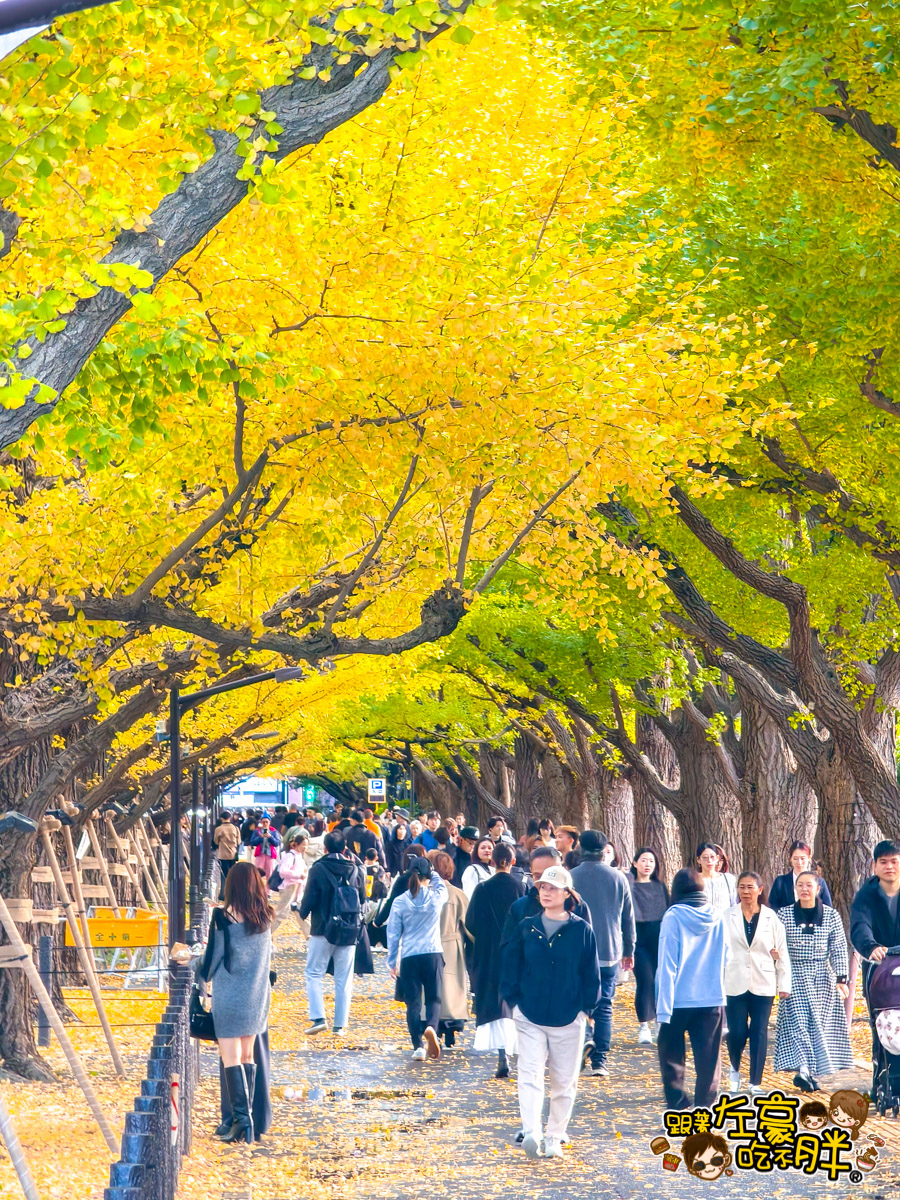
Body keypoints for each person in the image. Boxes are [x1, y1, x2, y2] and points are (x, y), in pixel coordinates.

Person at [499, 865, 600, 1159]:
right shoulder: (526, 927)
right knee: (529, 1074)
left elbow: (591, 974)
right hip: (529, 1014)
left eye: (553, 888)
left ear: (567, 893)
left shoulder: (582, 930)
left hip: (569, 1017)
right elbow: (510, 964)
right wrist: (514, 1002)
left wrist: (585, 1010)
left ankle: (554, 1136)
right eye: (542, 887)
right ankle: (532, 1131)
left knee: (564, 1081)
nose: (546, 892)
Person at [195, 862, 273, 1144]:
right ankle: (246, 1122)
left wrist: (193, 963)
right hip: (257, 996)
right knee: (247, 1057)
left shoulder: (223, 917)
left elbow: (211, 962)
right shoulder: (265, 916)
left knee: (230, 1058)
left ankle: (241, 1121)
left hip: (230, 996)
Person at [655, 867, 727, 1110]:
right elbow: (726, 956)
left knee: (671, 1056)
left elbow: (667, 963)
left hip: (677, 999)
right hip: (711, 997)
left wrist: (662, 1008)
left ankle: (678, 1106)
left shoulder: (673, 917)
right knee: (709, 1059)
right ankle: (704, 1107)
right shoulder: (717, 916)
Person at [774, 870, 852, 1092]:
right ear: (795, 889)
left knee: (817, 1024)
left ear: (818, 889)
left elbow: (838, 947)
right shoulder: (784, 915)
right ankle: (803, 1070)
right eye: (800, 885)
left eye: (809, 885)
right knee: (798, 1022)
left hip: (822, 976)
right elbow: (776, 943)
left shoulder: (831, 915)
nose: (804, 889)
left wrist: (841, 978)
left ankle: (811, 1070)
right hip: (794, 974)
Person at [570, 830, 635, 1078]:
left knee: (577, 1003)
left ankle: (584, 1040)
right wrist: (629, 949)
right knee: (605, 1005)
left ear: (580, 849)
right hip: (609, 949)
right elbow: (628, 917)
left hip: (577, 950)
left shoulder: (571, 877)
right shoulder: (618, 878)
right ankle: (600, 1060)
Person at [723, 871, 791, 1095]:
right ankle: (734, 1068)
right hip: (734, 980)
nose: (745, 891)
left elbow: (782, 952)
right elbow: (718, 950)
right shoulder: (727, 916)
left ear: (760, 890)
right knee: (737, 1032)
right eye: (741, 887)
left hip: (763, 982)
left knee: (759, 1031)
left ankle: (755, 1082)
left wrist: (784, 984)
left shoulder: (771, 918)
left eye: (750, 887)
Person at [465, 842, 525, 1077]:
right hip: (516, 951)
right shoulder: (521, 887)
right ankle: (520, 1052)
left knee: (496, 1003)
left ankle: (502, 1054)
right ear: (513, 862)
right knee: (516, 1001)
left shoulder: (481, 889)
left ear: (491, 862)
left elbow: (470, 923)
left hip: (489, 951)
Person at [298, 831, 366, 1036]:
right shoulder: (355, 869)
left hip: (322, 929)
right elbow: (362, 899)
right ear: (344, 849)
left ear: (325, 848)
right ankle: (340, 1026)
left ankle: (319, 1018)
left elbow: (309, 900)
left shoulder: (318, 869)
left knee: (313, 973)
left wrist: (301, 911)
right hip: (349, 929)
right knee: (344, 978)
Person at [387, 856, 449, 1061]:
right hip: (432, 952)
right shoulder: (435, 897)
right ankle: (431, 1026)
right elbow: (443, 888)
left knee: (412, 1002)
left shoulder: (400, 901)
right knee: (434, 997)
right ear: (428, 876)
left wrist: (392, 961)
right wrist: (434, 871)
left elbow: (393, 933)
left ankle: (418, 1047)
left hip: (409, 956)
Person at [850, 839, 900, 1026]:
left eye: (894, 861)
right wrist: (870, 946)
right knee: (882, 1026)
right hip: (880, 970)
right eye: (883, 862)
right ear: (874, 865)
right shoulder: (866, 895)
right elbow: (860, 924)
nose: (889, 867)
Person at [628, 847, 669, 1045]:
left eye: (651, 861)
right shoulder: (628, 885)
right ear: (635, 863)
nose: (647, 864)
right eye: (643, 860)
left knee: (660, 982)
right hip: (637, 939)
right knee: (645, 980)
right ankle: (644, 1025)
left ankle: (660, 1023)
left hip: (659, 939)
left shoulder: (660, 887)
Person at [432, 851, 470, 1048]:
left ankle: (433, 1025)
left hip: (429, 944)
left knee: (431, 989)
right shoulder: (457, 894)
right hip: (452, 944)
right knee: (451, 989)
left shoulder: (423, 893)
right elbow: (469, 924)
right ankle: (451, 1028)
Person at [768, 840, 834, 909]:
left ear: (809, 858)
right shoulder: (780, 882)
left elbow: (828, 908)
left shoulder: (819, 882)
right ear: (790, 859)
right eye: (795, 859)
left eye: (802, 858)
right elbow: (772, 907)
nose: (799, 862)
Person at [269, 827, 309, 936]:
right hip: (289, 887)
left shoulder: (298, 856)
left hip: (297, 887)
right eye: (303, 845)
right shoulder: (290, 856)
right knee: (281, 913)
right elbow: (283, 871)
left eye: (306, 845)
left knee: (299, 911)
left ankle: (309, 934)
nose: (305, 848)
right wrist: (299, 875)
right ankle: (267, 934)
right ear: (296, 844)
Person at [696, 842, 737, 912]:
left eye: (712, 857)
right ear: (698, 860)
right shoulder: (694, 880)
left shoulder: (728, 879)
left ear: (717, 858)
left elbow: (734, 904)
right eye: (705, 857)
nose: (709, 861)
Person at [213, 811, 241, 896]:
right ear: (230, 818)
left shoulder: (219, 829)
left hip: (223, 854)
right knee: (232, 874)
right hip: (233, 854)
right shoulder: (235, 828)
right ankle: (234, 892)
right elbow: (239, 841)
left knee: (224, 875)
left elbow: (216, 841)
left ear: (221, 818)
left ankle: (224, 893)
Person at [250, 817, 282, 882]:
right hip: (260, 854)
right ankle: (258, 886)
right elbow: (252, 842)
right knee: (258, 872)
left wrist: (270, 837)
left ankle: (268, 888)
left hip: (270, 854)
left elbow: (277, 843)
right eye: (263, 822)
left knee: (270, 873)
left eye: (266, 822)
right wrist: (260, 837)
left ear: (269, 822)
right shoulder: (257, 831)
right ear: (261, 822)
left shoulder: (273, 831)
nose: (265, 823)